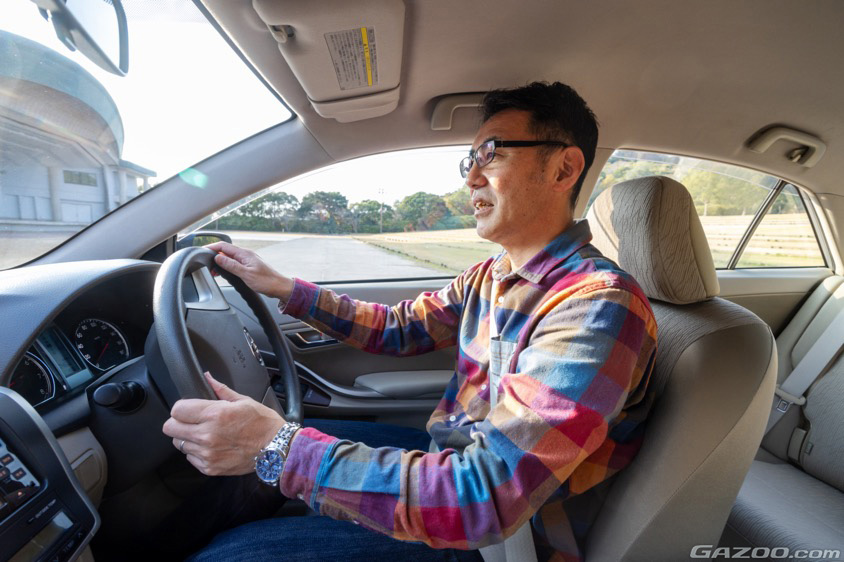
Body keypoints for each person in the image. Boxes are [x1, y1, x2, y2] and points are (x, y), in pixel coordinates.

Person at [162, 81, 657, 561]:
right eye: (470, 160)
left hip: (501, 541)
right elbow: (399, 327)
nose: (471, 178)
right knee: (264, 458)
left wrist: (281, 449)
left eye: (491, 154)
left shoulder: (598, 306)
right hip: (451, 462)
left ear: (563, 169)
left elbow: (485, 497)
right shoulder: (492, 274)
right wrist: (285, 288)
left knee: (230, 552)